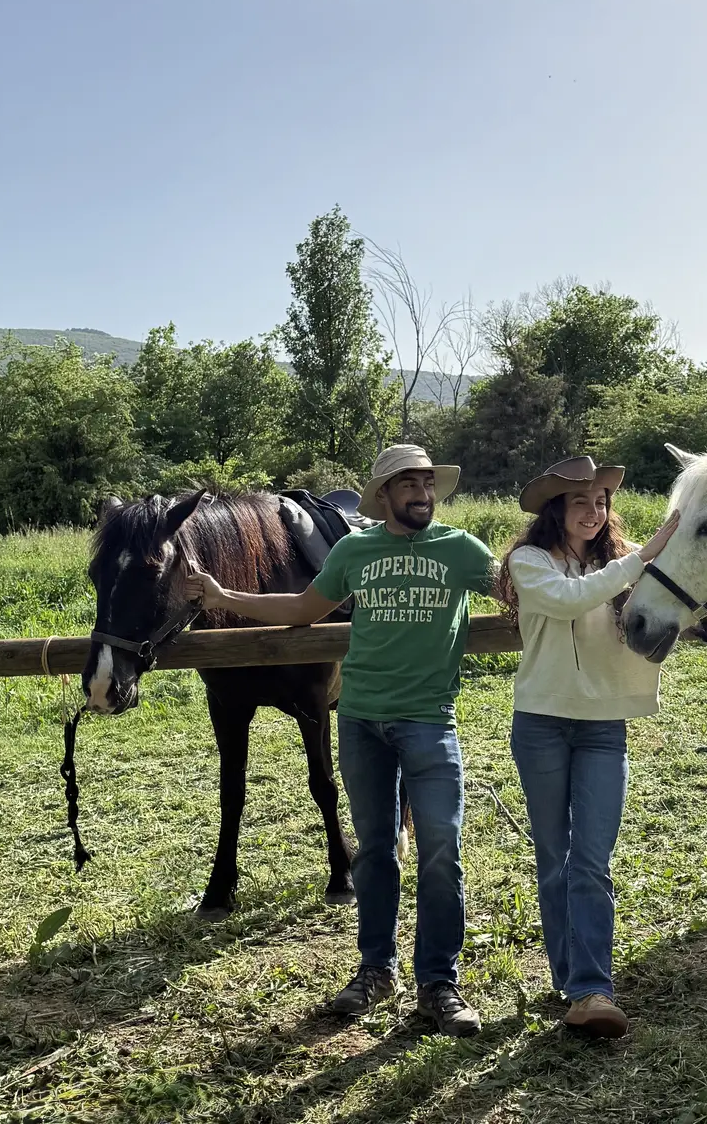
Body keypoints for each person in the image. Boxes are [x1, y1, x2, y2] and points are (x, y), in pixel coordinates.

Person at [186, 444, 496, 1037]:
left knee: (440, 853)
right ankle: (375, 971)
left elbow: (517, 590)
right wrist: (225, 599)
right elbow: (303, 608)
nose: (422, 494)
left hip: (430, 720)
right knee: (375, 854)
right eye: (408, 484)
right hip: (359, 722)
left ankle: (439, 982)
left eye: (427, 483)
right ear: (384, 496)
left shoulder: (460, 551)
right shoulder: (354, 550)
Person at [499, 456, 707, 1038]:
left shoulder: (632, 561)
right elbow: (571, 599)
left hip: (603, 724)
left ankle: (591, 988)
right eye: (580, 502)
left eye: (601, 502)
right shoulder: (530, 562)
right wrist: (644, 556)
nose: (594, 512)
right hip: (541, 720)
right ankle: (574, 978)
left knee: (590, 858)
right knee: (554, 859)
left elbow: (701, 587)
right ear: (555, 510)